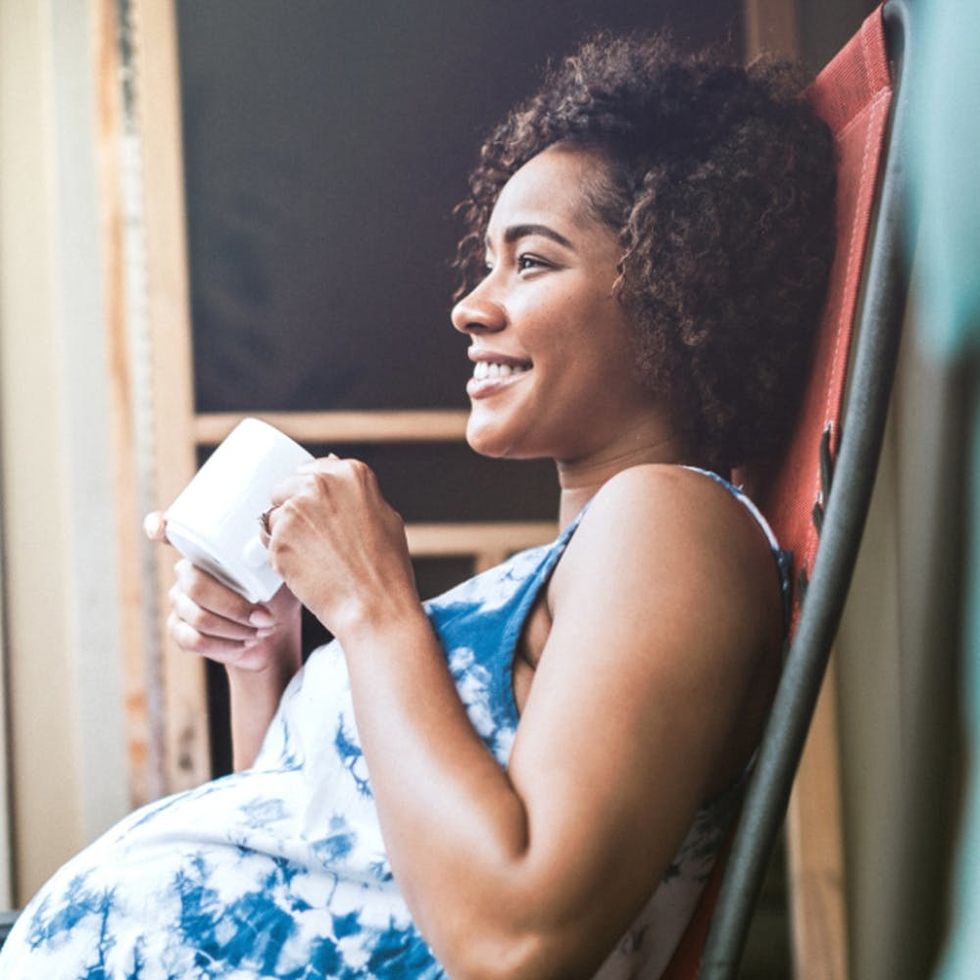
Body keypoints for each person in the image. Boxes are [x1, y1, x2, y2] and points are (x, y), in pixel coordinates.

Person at [0, 31, 834, 979]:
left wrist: (370, 604)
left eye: (531, 262)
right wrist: (266, 661)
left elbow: (519, 941)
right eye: (487, 261)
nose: (470, 306)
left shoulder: (672, 525)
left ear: (678, 281)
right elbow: (319, 856)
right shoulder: (590, 557)